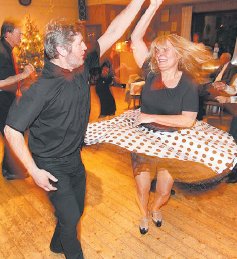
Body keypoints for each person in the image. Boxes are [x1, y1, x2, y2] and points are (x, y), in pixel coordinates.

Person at [4, 1, 148, 257]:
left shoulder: (79, 68)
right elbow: (11, 130)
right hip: (49, 163)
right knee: (70, 218)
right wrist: (34, 171)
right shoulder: (41, 89)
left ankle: (55, 245)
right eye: (80, 43)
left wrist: (139, 1)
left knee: (76, 211)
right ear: (61, 49)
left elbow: (113, 32)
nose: (86, 46)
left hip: (73, 158)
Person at [130, 0, 212, 234]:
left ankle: (156, 208)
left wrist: (149, 116)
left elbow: (188, 120)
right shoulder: (151, 72)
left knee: (164, 192)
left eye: (166, 50)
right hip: (143, 140)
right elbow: (136, 39)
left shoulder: (188, 83)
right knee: (143, 187)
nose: (160, 54)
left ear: (179, 54)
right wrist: (153, 6)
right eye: (157, 50)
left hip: (172, 142)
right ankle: (144, 213)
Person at [0, 19, 34, 180]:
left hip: (6, 99)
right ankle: (12, 169)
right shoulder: (1, 52)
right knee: (13, 132)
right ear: (8, 34)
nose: (21, 36)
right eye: (18, 33)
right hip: (2, 101)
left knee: (11, 133)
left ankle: (10, 169)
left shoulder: (7, 50)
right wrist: (24, 74)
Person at [197, 52, 237, 120]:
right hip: (218, 85)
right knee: (199, 89)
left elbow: (228, 79)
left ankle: (199, 114)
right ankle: (199, 114)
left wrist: (229, 99)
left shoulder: (233, 67)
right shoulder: (221, 66)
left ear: (227, 59)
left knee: (201, 91)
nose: (220, 60)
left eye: (221, 58)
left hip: (220, 89)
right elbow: (235, 90)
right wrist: (225, 87)